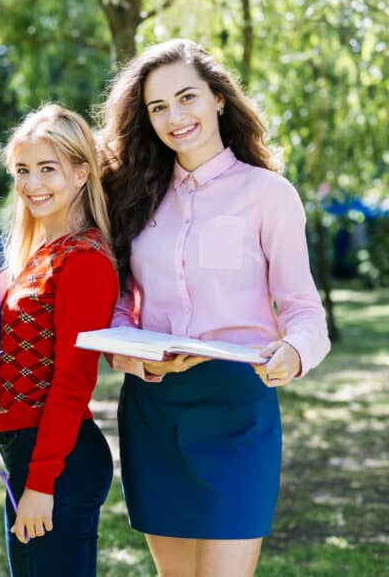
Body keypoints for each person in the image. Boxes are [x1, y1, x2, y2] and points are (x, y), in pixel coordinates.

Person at [98, 39, 330, 577]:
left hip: (237, 406)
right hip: (153, 408)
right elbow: (118, 309)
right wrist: (133, 357)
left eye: (187, 98)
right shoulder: (133, 197)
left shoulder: (268, 194)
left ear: (218, 98)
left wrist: (291, 354)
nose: (175, 117)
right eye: (158, 107)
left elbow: (305, 312)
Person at [0, 104, 119, 576]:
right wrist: (1, 363)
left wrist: (41, 483)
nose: (32, 184)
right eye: (22, 170)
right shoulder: (39, 253)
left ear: (81, 174)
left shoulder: (83, 258)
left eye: (47, 170)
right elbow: (40, 349)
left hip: (56, 461)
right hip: (26, 453)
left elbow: (74, 379)